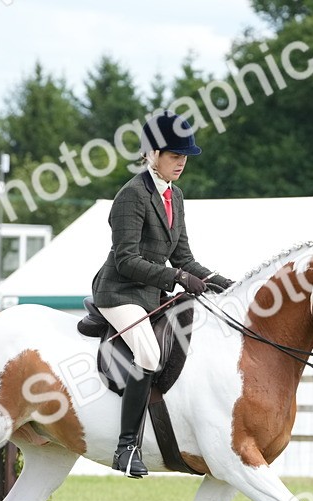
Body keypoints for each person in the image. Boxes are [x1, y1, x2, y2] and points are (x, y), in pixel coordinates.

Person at [91, 112, 233, 478]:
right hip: (120, 292)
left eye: (185, 156)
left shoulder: (176, 196)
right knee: (149, 354)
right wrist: (177, 276)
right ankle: (126, 447)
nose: (182, 161)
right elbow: (126, 260)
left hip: (150, 295)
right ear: (152, 153)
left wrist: (226, 283)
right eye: (174, 155)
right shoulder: (131, 196)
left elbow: (184, 257)